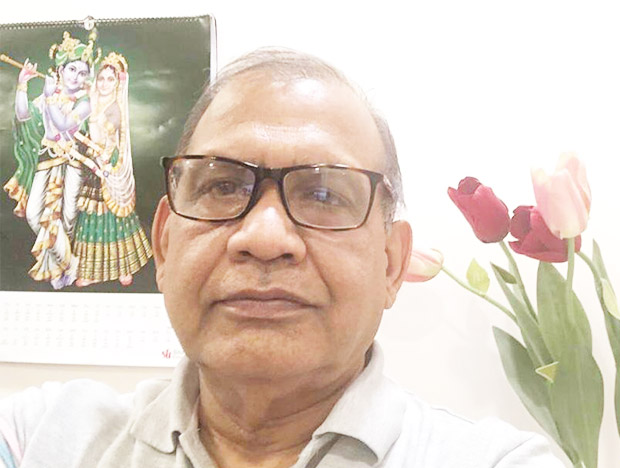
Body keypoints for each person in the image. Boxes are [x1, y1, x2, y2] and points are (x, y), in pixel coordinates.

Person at [0, 49, 565, 468]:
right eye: (222, 186)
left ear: (392, 264)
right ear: (165, 245)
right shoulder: (43, 438)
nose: (266, 237)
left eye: (324, 194)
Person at [3, 31, 99, 289]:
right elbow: (23, 116)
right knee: (34, 214)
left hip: (72, 163)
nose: (76, 77)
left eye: (82, 73)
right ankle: (70, 263)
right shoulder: (48, 94)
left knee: (67, 219)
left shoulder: (85, 102)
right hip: (46, 160)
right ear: (60, 70)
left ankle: (60, 270)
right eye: (72, 70)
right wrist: (22, 84)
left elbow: (64, 124)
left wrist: (48, 98)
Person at [72, 52, 152, 287]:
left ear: (117, 83)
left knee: (115, 215)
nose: (105, 83)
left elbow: (107, 141)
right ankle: (89, 271)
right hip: (94, 159)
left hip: (108, 162)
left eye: (110, 79)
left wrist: (103, 161)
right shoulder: (93, 98)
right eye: (101, 78)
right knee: (91, 215)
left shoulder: (114, 108)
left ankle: (123, 267)